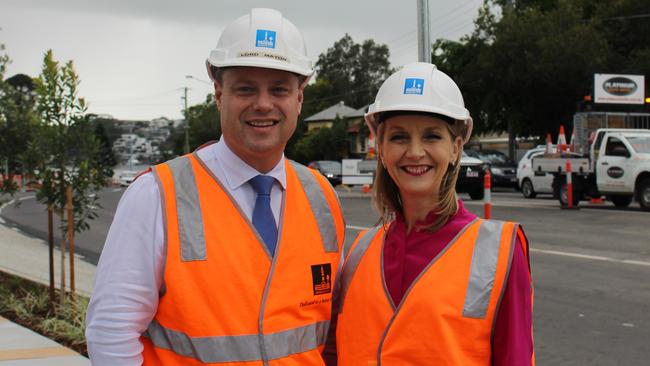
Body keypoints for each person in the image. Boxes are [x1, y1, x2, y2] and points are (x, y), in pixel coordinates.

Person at [86, 8, 345, 365]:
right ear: (219, 94)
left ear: (300, 98)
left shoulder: (322, 197)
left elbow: (331, 330)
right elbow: (110, 330)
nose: (263, 104)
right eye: (246, 89)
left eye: (279, 89)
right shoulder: (158, 195)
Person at [331, 62, 534, 365]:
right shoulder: (360, 251)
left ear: (455, 149)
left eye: (431, 136)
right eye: (399, 137)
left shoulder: (500, 251)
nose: (414, 152)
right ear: (382, 151)